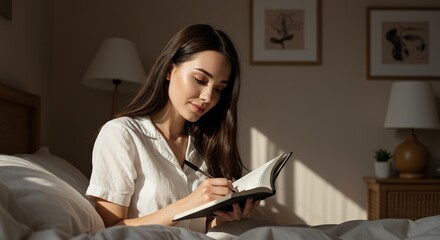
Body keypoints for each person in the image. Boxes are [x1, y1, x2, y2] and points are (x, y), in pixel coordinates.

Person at [85, 24, 260, 233]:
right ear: (169, 70)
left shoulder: (205, 144)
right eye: (200, 80)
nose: (208, 97)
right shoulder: (122, 134)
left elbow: (196, 228)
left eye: (219, 89)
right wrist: (187, 204)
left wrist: (222, 220)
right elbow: (108, 231)